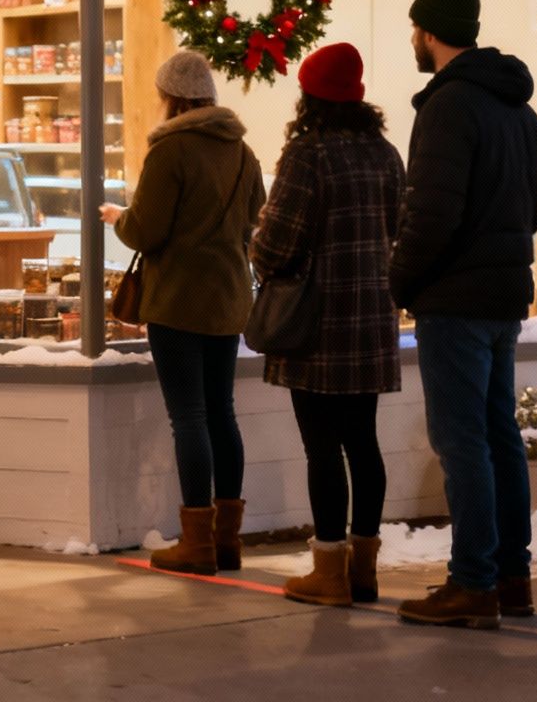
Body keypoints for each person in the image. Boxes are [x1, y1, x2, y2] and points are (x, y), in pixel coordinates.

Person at [388, 0, 537, 630]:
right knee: (498, 436)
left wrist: (401, 281)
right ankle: (512, 576)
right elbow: (534, 208)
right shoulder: (519, 108)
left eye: (414, 31)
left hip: (454, 297)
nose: (412, 41)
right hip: (503, 293)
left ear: (429, 32)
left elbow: (430, 211)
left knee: (463, 443)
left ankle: (473, 582)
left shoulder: (449, 106)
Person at [249, 43, 407, 607]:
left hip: (316, 324)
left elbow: (275, 246)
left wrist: (257, 246)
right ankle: (364, 569)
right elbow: (398, 228)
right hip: (371, 318)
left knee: (322, 448)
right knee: (363, 443)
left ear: (310, 95)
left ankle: (329, 572)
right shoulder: (385, 152)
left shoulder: (307, 154)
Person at [99, 50, 265, 575]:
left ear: (171, 98)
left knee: (188, 417)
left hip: (177, 301)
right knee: (222, 414)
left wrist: (117, 217)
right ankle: (227, 540)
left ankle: (196, 542)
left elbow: (146, 230)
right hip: (229, 298)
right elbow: (253, 223)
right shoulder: (244, 152)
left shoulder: (170, 152)